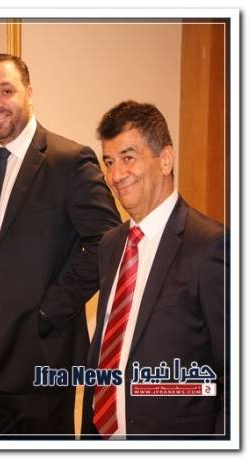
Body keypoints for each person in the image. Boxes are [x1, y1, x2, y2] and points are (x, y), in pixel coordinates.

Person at [0, 53, 121, 437]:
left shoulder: (68, 160)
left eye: (6, 91)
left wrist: (48, 311)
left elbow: (107, 242)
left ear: (29, 92)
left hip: (43, 349)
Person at [81, 101, 226, 439]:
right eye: (109, 162)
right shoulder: (111, 244)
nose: (116, 175)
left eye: (128, 158)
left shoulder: (210, 246)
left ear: (165, 159)